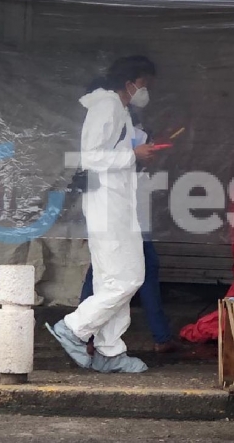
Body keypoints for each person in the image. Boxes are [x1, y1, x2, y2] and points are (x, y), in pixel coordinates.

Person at [46, 56, 158, 373]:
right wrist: (133, 154)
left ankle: (109, 351)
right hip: (106, 204)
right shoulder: (106, 107)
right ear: (130, 83)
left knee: (115, 279)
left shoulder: (118, 110)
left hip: (116, 203)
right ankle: (73, 328)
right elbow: (91, 157)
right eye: (145, 84)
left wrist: (136, 153)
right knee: (128, 277)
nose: (146, 91)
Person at [80, 108, 177, 355]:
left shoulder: (121, 132)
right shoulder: (123, 131)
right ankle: (83, 332)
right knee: (138, 271)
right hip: (123, 214)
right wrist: (139, 153)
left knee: (101, 271)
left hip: (121, 212)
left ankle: (88, 337)